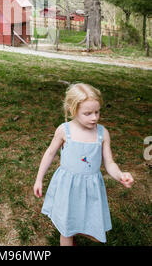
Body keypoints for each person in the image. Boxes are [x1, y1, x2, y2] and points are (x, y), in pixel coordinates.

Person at [33, 82, 134, 246]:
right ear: (73, 111)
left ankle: (80, 231)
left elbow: (109, 163)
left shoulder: (102, 133)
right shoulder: (64, 131)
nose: (94, 117)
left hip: (91, 188)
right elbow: (50, 153)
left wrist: (120, 175)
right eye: (87, 113)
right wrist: (39, 179)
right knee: (66, 228)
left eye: (97, 112)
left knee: (92, 227)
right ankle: (69, 237)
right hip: (67, 186)